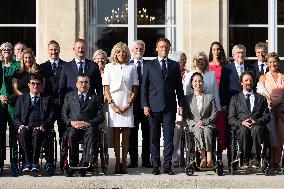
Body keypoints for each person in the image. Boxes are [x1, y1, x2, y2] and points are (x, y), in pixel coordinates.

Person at [141, 37, 184, 175]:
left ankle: (167, 165)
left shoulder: (174, 65)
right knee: (153, 138)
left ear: (169, 48)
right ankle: (155, 165)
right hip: (153, 107)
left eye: (166, 47)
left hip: (169, 107)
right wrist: (145, 105)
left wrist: (181, 104)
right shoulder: (149, 65)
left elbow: (179, 88)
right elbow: (144, 87)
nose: (164, 49)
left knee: (168, 137)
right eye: (161, 47)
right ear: (156, 48)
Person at [103, 42, 139, 174]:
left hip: (127, 101)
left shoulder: (132, 67)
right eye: (118, 52)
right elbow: (106, 88)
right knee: (116, 134)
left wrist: (129, 103)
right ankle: (117, 162)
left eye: (124, 52)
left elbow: (135, 87)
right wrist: (112, 104)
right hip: (114, 102)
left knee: (126, 134)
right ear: (115, 54)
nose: (121, 54)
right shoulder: (108, 67)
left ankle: (124, 162)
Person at [62, 74, 104, 176]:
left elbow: (101, 116)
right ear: (76, 84)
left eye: (86, 82)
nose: (83, 84)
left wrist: (89, 123)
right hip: (74, 127)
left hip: (89, 127)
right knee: (71, 135)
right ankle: (73, 164)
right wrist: (71, 122)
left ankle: (84, 164)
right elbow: (64, 114)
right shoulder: (69, 96)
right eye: (81, 82)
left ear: (89, 85)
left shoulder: (95, 98)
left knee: (91, 134)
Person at [13, 74, 55, 174]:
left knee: (37, 133)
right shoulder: (22, 98)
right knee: (22, 132)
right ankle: (27, 163)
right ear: (29, 85)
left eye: (38, 84)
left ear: (41, 86)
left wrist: (43, 125)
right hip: (25, 126)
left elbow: (51, 116)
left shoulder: (47, 99)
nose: (35, 86)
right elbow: (15, 117)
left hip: (40, 127)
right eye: (33, 84)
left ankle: (35, 163)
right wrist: (20, 125)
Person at [228, 71, 270, 168]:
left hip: (257, 125)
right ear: (241, 82)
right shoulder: (235, 98)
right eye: (246, 80)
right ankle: (245, 159)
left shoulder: (261, 98)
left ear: (254, 82)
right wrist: (242, 122)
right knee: (243, 130)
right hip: (242, 126)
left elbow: (267, 116)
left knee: (256, 129)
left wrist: (257, 121)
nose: (248, 82)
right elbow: (231, 118)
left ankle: (256, 159)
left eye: (251, 80)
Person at [184, 72, 218, 168]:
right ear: (191, 83)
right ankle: (203, 157)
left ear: (203, 83)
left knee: (206, 130)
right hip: (194, 126)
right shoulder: (187, 99)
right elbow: (186, 115)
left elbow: (215, 113)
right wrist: (196, 124)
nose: (197, 83)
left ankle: (209, 157)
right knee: (199, 130)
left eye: (200, 81)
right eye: (195, 81)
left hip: (208, 124)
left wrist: (205, 122)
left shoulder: (209, 96)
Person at [257, 52, 284, 170]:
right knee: (271, 135)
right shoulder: (263, 77)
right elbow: (260, 91)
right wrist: (269, 101)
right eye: (270, 62)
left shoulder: (283, 76)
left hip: (282, 108)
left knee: (280, 135)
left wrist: (279, 102)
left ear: (278, 62)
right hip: (269, 109)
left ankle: (277, 162)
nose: (273, 64)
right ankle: (270, 161)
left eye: (275, 61)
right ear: (267, 64)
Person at [127, 40, 151, 168]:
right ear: (132, 50)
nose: (138, 50)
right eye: (136, 48)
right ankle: (134, 160)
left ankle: (146, 160)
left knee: (148, 134)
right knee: (132, 135)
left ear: (144, 50)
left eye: (141, 48)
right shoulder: (128, 65)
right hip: (132, 105)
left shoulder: (149, 65)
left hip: (147, 105)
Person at [59, 39, 103, 106]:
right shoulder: (66, 67)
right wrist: (62, 106)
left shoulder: (93, 66)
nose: (80, 50)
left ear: (86, 49)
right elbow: (62, 88)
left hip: (90, 105)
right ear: (74, 49)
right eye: (78, 48)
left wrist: (100, 104)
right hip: (71, 105)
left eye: (83, 48)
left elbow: (99, 87)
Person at [0, 42, 21, 176]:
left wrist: (14, 95)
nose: (6, 51)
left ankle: (14, 162)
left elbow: (21, 83)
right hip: (0, 104)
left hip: (14, 104)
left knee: (13, 134)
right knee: (0, 133)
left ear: (12, 51)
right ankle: (1, 161)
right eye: (4, 49)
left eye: (8, 49)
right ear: (1, 52)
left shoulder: (17, 65)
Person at [40, 40, 66, 144]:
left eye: (56, 49)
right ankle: (49, 158)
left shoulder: (66, 66)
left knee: (63, 131)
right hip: (47, 104)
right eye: (51, 49)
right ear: (48, 51)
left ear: (59, 50)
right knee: (47, 132)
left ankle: (65, 158)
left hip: (62, 103)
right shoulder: (42, 67)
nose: (53, 52)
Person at [219, 44, 255, 110]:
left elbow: (254, 86)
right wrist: (223, 105)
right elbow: (223, 88)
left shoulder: (251, 68)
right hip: (231, 104)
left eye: (242, 53)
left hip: (248, 104)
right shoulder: (226, 69)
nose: (240, 55)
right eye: (238, 53)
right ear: (233, 55)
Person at [169, 51, 189, 167]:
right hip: (174, 107)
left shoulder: (189, 73)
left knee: (185, 132)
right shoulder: (171, 73)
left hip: (187, 106)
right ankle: (174, 156)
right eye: (183, 60)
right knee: (175, 133)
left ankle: (185, 156)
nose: (185, 62)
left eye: (185, 60)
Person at [208, 41, 228, 150]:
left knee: (221, 127)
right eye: (214, 49)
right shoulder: (207, 66)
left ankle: (219, 153)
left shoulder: (226, 65)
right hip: (210, 99)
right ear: (211, 51)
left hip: (222, 99)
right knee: (210, 126)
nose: (216, 51)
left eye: (218, 49)